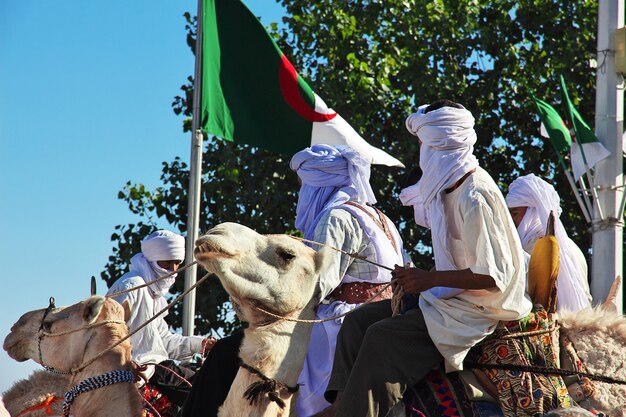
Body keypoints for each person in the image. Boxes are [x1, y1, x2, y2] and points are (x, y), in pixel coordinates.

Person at [316, 100, 532, 417]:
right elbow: (459, 260)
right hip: (452, 297)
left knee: (381, 337)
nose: (422, 153)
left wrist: (430, 280)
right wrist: (421, 279)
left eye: (424, 144)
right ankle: (344, 406)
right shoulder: (449, 190)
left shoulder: (474, 195)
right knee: (356, 322)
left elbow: (494, 277)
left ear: (439, 145)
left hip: (478, 309)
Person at [181, 144, 407, 417]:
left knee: (226, 354)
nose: (301, 193)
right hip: (384, 314)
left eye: (302, 185)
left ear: (318, 184)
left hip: (340, 321)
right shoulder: (379, 217)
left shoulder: (336, 217)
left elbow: (315, 285)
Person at [107, 230, 214, 409]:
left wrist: (200, 344)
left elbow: (162, 341)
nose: (173, 270)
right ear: (152, 259)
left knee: (209, 385)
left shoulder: (153, 293)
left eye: (177, 263)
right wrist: (125, 368)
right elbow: (106, 336)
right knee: (206, 395)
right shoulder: (132, 286)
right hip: (145, 370)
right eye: (167, 262)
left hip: (157, 368)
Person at [506, 174, 592, 311]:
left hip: (547, 328)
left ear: (532, 211)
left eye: (515, 214)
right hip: (576, 324)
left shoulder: (534, 247)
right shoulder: (573, 247)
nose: (512, 221)